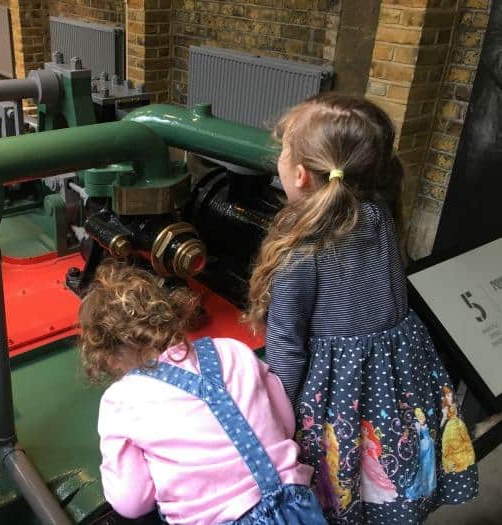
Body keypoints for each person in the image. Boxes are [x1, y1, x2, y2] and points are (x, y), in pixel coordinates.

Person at [246, 93, 478, 524]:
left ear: (298, 175)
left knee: (341, 478)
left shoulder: (300, 250)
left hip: (341, 394)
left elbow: (286, 347)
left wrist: (277, 418)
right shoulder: (380, 214)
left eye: (283, 148)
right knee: (389, 463)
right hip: (397, 380)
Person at [79, 261, 325, 525]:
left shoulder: (120, 401)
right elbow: (284, 422)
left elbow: (132, 502)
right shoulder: (232, 349)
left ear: (108, 358)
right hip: (297, 505)